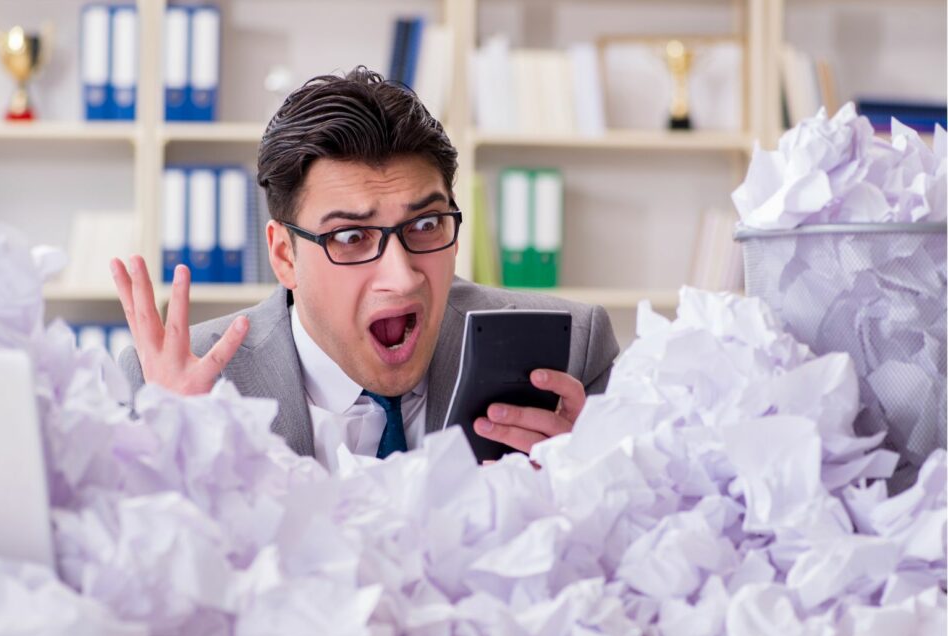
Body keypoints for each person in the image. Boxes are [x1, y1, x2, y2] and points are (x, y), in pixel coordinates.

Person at [112, 67, 619, 468]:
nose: (402, 277)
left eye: (425, 226)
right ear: (285, 256)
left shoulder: (574, 350)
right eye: (351, 237)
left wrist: (588, 483)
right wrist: (168, 464)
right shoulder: (169, 388)